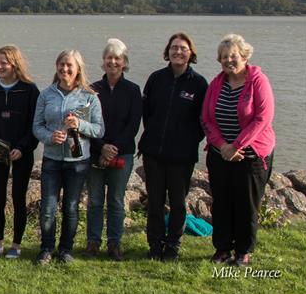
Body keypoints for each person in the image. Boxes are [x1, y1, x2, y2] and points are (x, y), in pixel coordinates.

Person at [202, 34, 275, 267]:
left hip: (251, 156)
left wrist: (237, 145)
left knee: (246, 204)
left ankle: (243, 251)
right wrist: (223, 146)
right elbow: (206, 119)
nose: (228, 60)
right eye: (224, 57)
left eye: (233, 56)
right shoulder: (216, 84)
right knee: (222, 202)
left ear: (244, 56)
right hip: (220, 154)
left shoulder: (258, 81)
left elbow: (262, 118)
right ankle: (222, 248)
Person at [139, 32, 207, 262]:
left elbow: (203, 121)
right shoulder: (156, 79)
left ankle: (173, 246)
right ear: (167, 52)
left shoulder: (199, 83)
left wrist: (186, 141)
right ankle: (155, 245)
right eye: (174, 48)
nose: (178, 51)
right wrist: (154, 136)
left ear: (191, 53)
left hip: (182, 157)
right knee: (155, 202)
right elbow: (146, 113)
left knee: (178, 203)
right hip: (154, 154)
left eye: (183, 48)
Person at [32, 50, 104, 265]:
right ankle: (46, 249)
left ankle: (66, 250)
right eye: (61, 65)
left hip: (78, 162)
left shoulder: (90, 97)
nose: (65, 69)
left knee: (71, 208)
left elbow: (99, 130)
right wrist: (49, 137)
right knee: (47, 208)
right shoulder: (46, 95)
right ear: (56, 67)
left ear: (78, 69)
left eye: (69, 65)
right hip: (52, 160)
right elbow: (36, 126)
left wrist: (79, 125)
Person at [0, 45, 40, 259]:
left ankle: (16, 245)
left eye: (3, 63)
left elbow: (36, 125)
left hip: (21, 153)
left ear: (14, 64)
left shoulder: (30, 89)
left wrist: (23, 148)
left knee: (18, 198)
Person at [85, 39, 142, 261]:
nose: (113, 62)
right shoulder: (92, 90)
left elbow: (133, 125)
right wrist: (102, 147)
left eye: (117, 58)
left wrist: (113, 148)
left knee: (117, 200)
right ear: (103, 61)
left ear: (124, 62)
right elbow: (87, 121)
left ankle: (114, 244)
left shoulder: (133, 90)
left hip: (123, 153)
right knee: (95, 200)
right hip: (96, 151)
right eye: (109, 57)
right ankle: (93, 243)